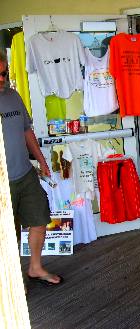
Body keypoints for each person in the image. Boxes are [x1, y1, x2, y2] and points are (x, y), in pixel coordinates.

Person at [0, 50, 62, 286]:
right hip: (2, 181)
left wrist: (43, 162)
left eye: (4, 73)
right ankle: (10, 282)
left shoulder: (13, 96)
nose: (2, 79)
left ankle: (35, 267)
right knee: (7, 233)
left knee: (39, 218)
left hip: (25, 173)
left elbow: (27, 131)